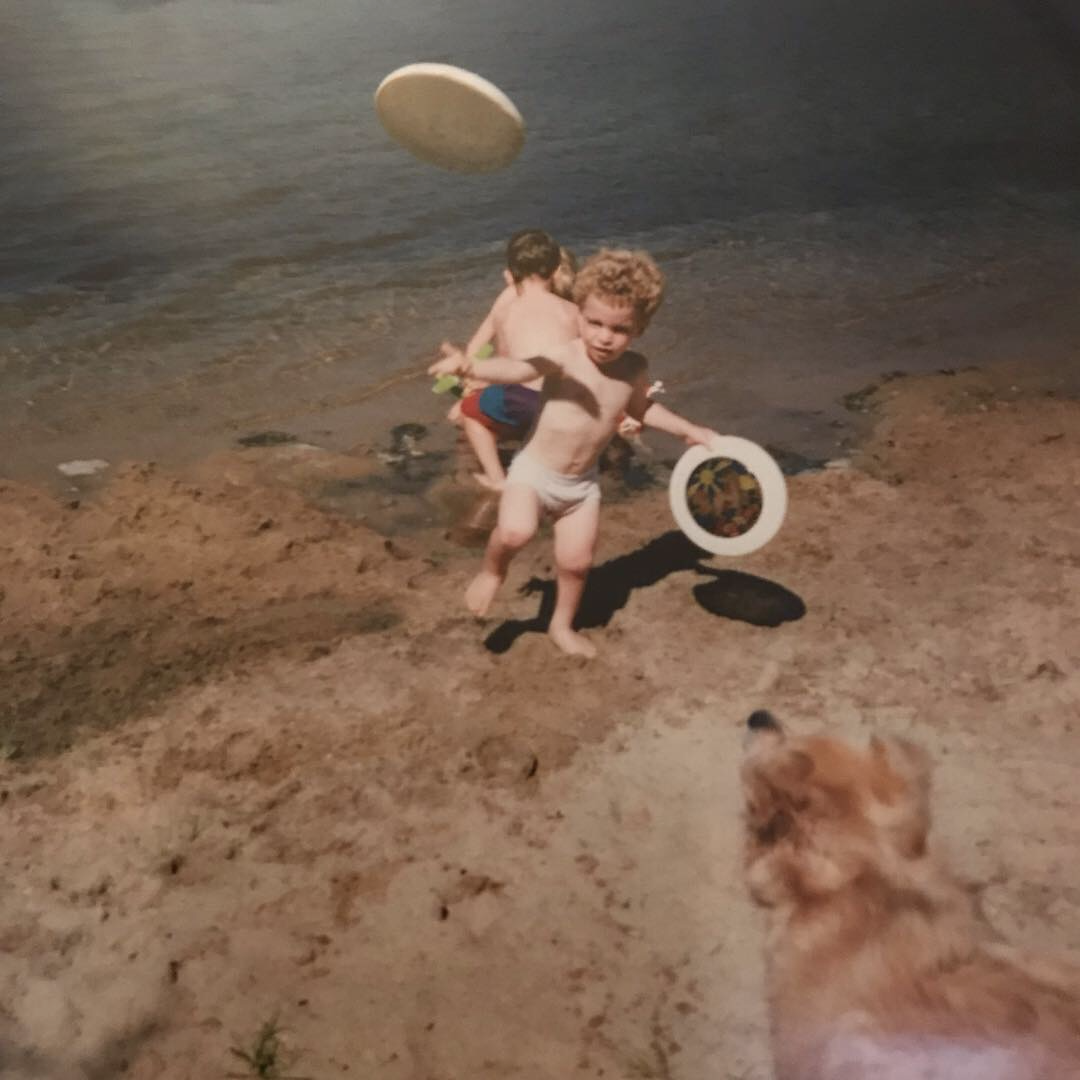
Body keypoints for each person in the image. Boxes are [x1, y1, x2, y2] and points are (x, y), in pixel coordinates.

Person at [429, 248, 719, 658]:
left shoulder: (633, 368)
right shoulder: (565, 356)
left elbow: (642, 408)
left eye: (619, 329)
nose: (603, 336)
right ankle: (493, 571)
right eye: (594, 322)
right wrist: (470, 369)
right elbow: (518, 369)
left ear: (640, 327)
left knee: (577, 563)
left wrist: (688, 429)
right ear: (579, 313)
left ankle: (560, 626)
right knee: (516, 531)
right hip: (533, 472)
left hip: (581, 486)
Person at [449, 230, 579, 491]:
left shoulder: (511, 305)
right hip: (567, 402)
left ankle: (498, 481)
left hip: (526, 395)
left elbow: (511, 365)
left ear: (511, 271)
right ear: (555, 270)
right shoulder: (573, 309)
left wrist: (475, 380)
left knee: (464, 414)